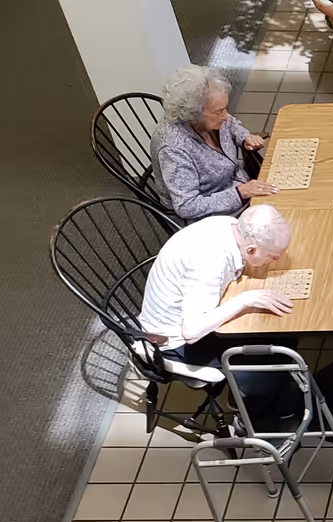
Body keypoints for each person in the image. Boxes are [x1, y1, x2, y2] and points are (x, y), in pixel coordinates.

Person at [134, 203, 297, 424]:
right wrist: (245, 299)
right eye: (273, 256)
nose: (276, 261)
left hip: (183, 317)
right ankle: (257, 421)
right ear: (251, 250)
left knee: (283, 332)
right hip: (173, 342)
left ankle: (267, 397)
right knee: (270, 354)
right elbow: (191, 331)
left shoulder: (228, 224)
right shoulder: (211, 261)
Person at [154, 65, 274, 221]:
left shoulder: (209, 117)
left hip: (241, 186)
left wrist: (244, 136)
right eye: (219, 111)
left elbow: (229, 122)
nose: (225, 116)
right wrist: (240, 192)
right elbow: (187, 206)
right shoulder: (173, 148)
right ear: (193, 113)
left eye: (225, 108)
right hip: (216, 217)